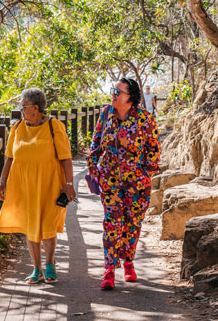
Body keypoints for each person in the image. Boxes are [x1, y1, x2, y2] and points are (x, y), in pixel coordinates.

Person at [87, 78, 160, 290]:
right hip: (109, 179)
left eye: (117, 91)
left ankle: (128, 262)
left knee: (132, 223)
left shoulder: (144, 119)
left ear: (131, 97)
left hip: (137, 183)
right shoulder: (105, 114)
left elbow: (154, 149)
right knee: (112, 223)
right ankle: (109, 269)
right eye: (113, 90)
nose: (113, 94)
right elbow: (96, 140)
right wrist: (93, 164)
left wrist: (146, 173)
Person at [0, 88, 75, 284]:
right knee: (30, 225)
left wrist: (69, 184)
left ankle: (50, 266)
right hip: (24, 185)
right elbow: (9, 158)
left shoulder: (54, 126)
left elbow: (66, 159)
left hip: (49, 184)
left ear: (36, 108)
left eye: (24, 107)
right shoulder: (17, 128)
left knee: (47, 225)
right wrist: (2, 181)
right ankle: (36, 269)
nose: (21, 110)